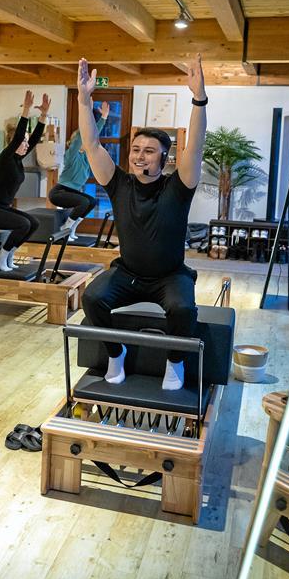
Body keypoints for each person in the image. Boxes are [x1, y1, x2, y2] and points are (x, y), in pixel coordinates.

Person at [77, 55, 207, 391]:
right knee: (92, 298)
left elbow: (194, 147)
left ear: (164, 157)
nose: (139, 155)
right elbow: (90, 144)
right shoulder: (118, 183)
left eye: (149, 150)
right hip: (128, 274)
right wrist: (84, 99)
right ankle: (116, 353)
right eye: (136, 149)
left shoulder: (177, 187)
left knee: (182, 308)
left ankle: (175, 363)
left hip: (169, 276)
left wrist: (198, 99)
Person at [0, 90, 50, 271]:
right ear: (13, 143)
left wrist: (43, 115)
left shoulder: (18, 159)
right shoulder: (5, 158)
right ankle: (1, 255)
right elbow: (19, 136)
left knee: (33, 223)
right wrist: (26, 109)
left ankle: (8, 254)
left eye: (25, 142)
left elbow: (33, 139)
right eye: (22, 142)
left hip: (2, 208)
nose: (26, 144)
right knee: (23, 224)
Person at [48, 101, 109, 241]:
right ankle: (66, 228)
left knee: (91, 201)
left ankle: (72, 227)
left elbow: (92, 136)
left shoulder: (86, 157)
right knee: (83, 202)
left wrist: (104, 118)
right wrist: (87, 112)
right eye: (84, 140)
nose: (87, 142)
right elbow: (84, 134)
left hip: (71, 191)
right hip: (59, 192)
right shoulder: (72, 154)